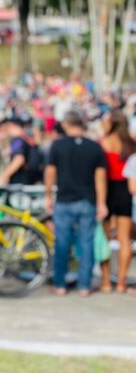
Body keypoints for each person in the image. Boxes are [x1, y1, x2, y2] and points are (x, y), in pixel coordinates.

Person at [45, 110, 107, 296]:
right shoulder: (94, 147)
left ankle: (60, 284)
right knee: (86, 243)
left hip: (64, 199)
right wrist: (102, 202)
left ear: (66, 125)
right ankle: (84, 285)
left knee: (62, 243)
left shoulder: (58, 145)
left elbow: (50, 172)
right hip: (87, 200)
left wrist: (48, 195)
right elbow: (100, 178)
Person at [98, 111, 134, 292]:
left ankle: (105, 281)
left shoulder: (103, 143)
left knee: (104, 239)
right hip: (126, 192)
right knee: (124, 239)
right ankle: (121, 282)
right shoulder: (131, 144)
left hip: (106, 190)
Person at [0, 117, 43, 187]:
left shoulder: (18, 140)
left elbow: (19, 159)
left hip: (20, 185)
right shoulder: (28, 139)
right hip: (30, 182)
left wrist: (3, 177)